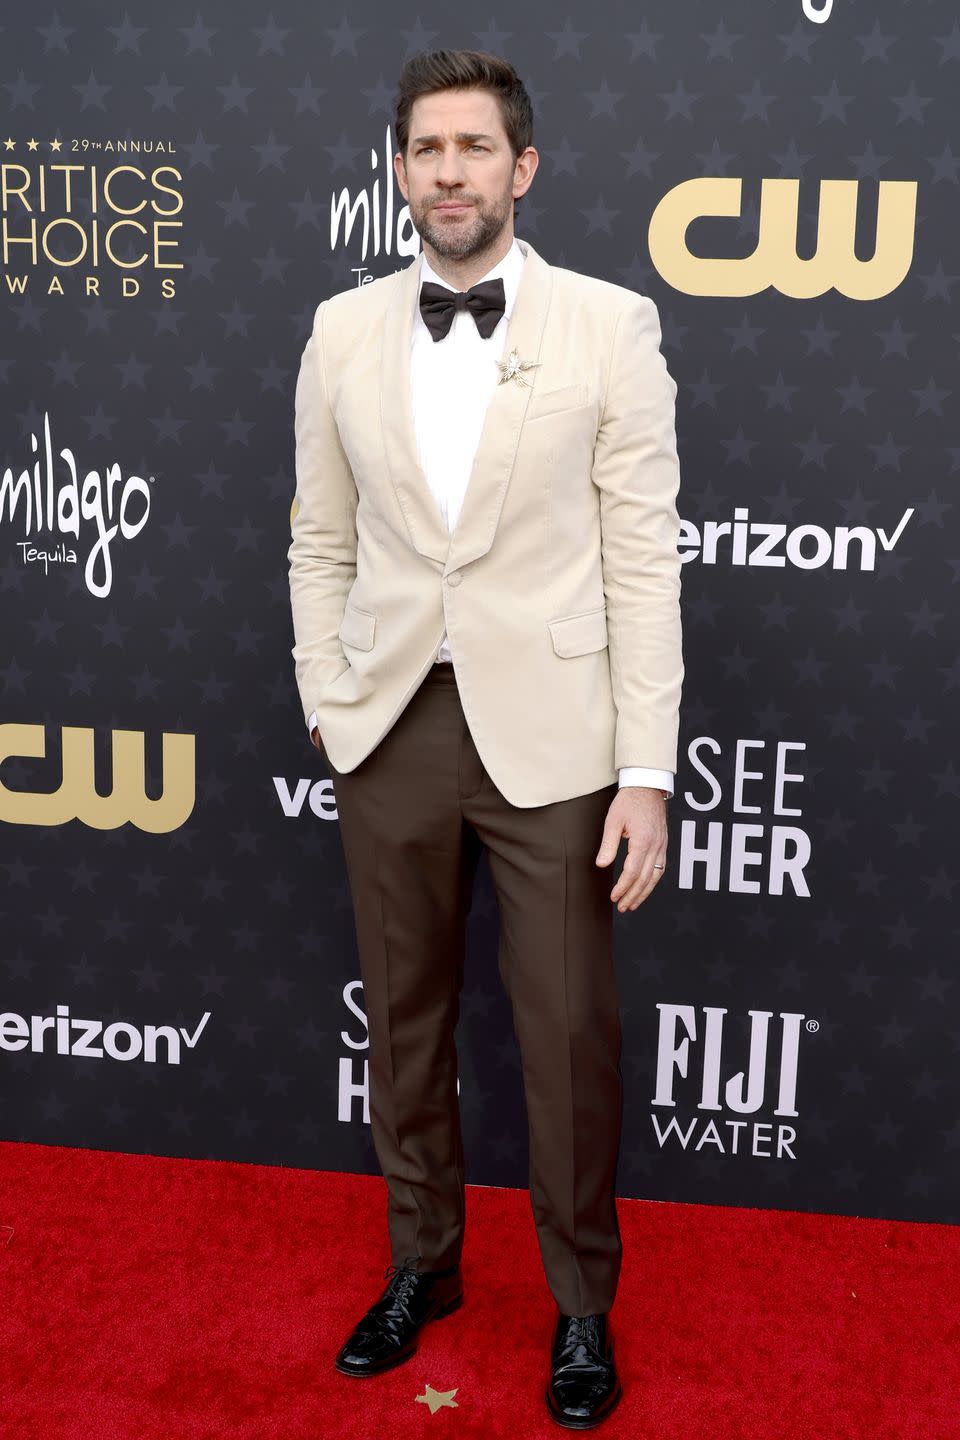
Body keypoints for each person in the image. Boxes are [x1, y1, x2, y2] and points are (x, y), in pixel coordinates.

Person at [287, 47, 683, 1430]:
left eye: (473, 148)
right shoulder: (339, 333)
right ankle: (423, 1269)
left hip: (560, 740)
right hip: (391, 725)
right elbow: (318, 540)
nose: (446, 171)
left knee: (568, 1033)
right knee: (404, 1026)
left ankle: (581, 1308)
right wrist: (329, 705)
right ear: (398, 171)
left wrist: (646, 768)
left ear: (522, 168)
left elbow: (643, 560)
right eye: (424, 149)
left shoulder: (611, 326)